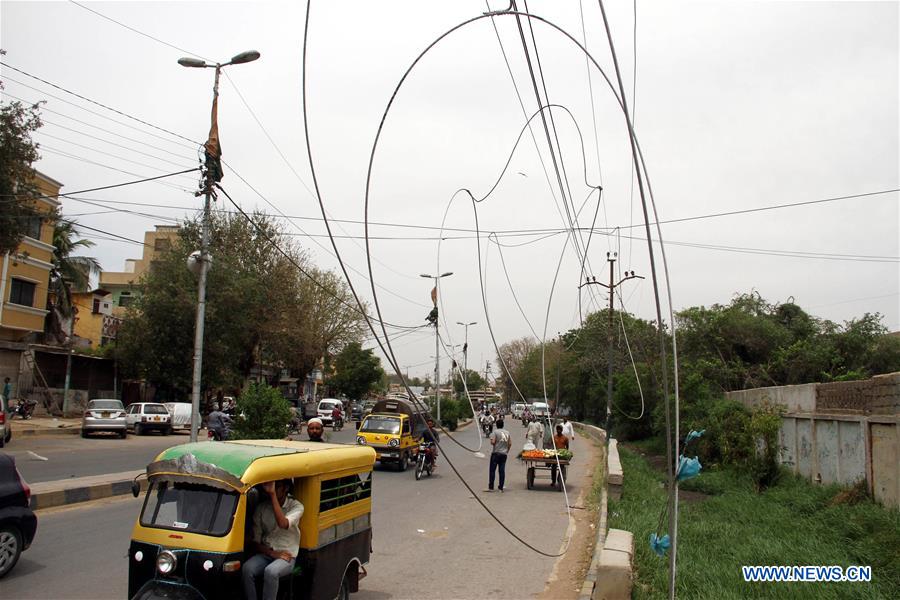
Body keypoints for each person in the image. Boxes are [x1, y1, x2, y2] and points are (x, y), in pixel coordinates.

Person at [242, 479, 304, 600]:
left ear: (286, 488)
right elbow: (255, 542)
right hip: (267, 553)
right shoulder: (262, 508)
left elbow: (283, 524)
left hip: (287, 556)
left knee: (271, 572)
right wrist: (271, 553)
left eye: (277, 486)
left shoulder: (296, 506)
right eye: (270, 485)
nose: (272, 488)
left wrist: (272, 494)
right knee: (247, 569)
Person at [486, 419, 511, 492]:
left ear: (496, 425)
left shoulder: (495, 432)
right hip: (504, 454)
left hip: (496, 453)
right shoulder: (507, 433)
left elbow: (493, 442)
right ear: (503, 425)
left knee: (492, 470)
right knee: (502, 471)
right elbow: (510, 443)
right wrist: (507, 451)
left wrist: (492, 441)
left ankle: (491, 487)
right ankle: (501, 487)